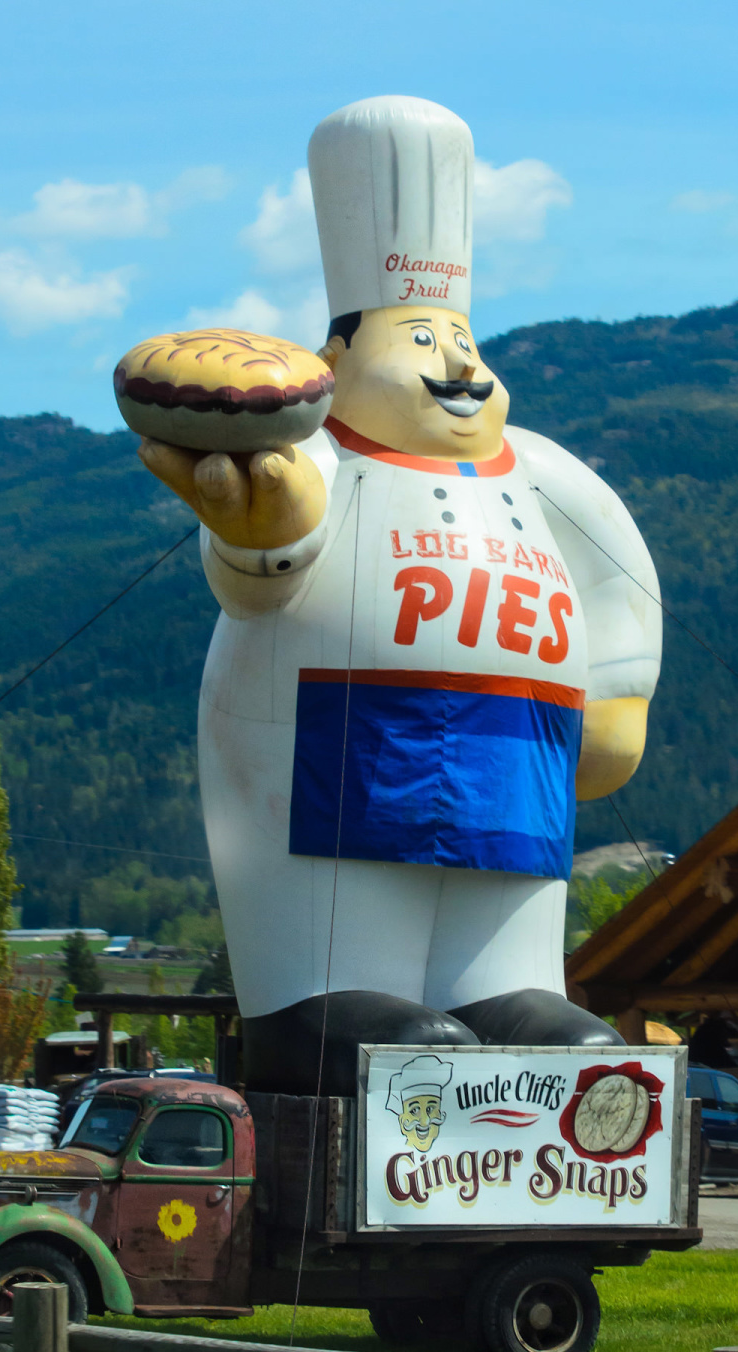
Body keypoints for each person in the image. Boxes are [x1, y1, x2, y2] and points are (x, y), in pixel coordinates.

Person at [139, 97, 662, 1095]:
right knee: (349, 909)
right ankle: (317, 999)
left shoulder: (541, 471)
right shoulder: (322, 461)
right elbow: (264, 558)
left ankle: (508, 991)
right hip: (342, 738)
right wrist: (263, 535)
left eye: (461, 335)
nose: (460, 364)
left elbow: (619, 570)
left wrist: (622, 685)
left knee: (503, 921)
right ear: (335, 358)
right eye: (422, 337)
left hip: (518, 757)